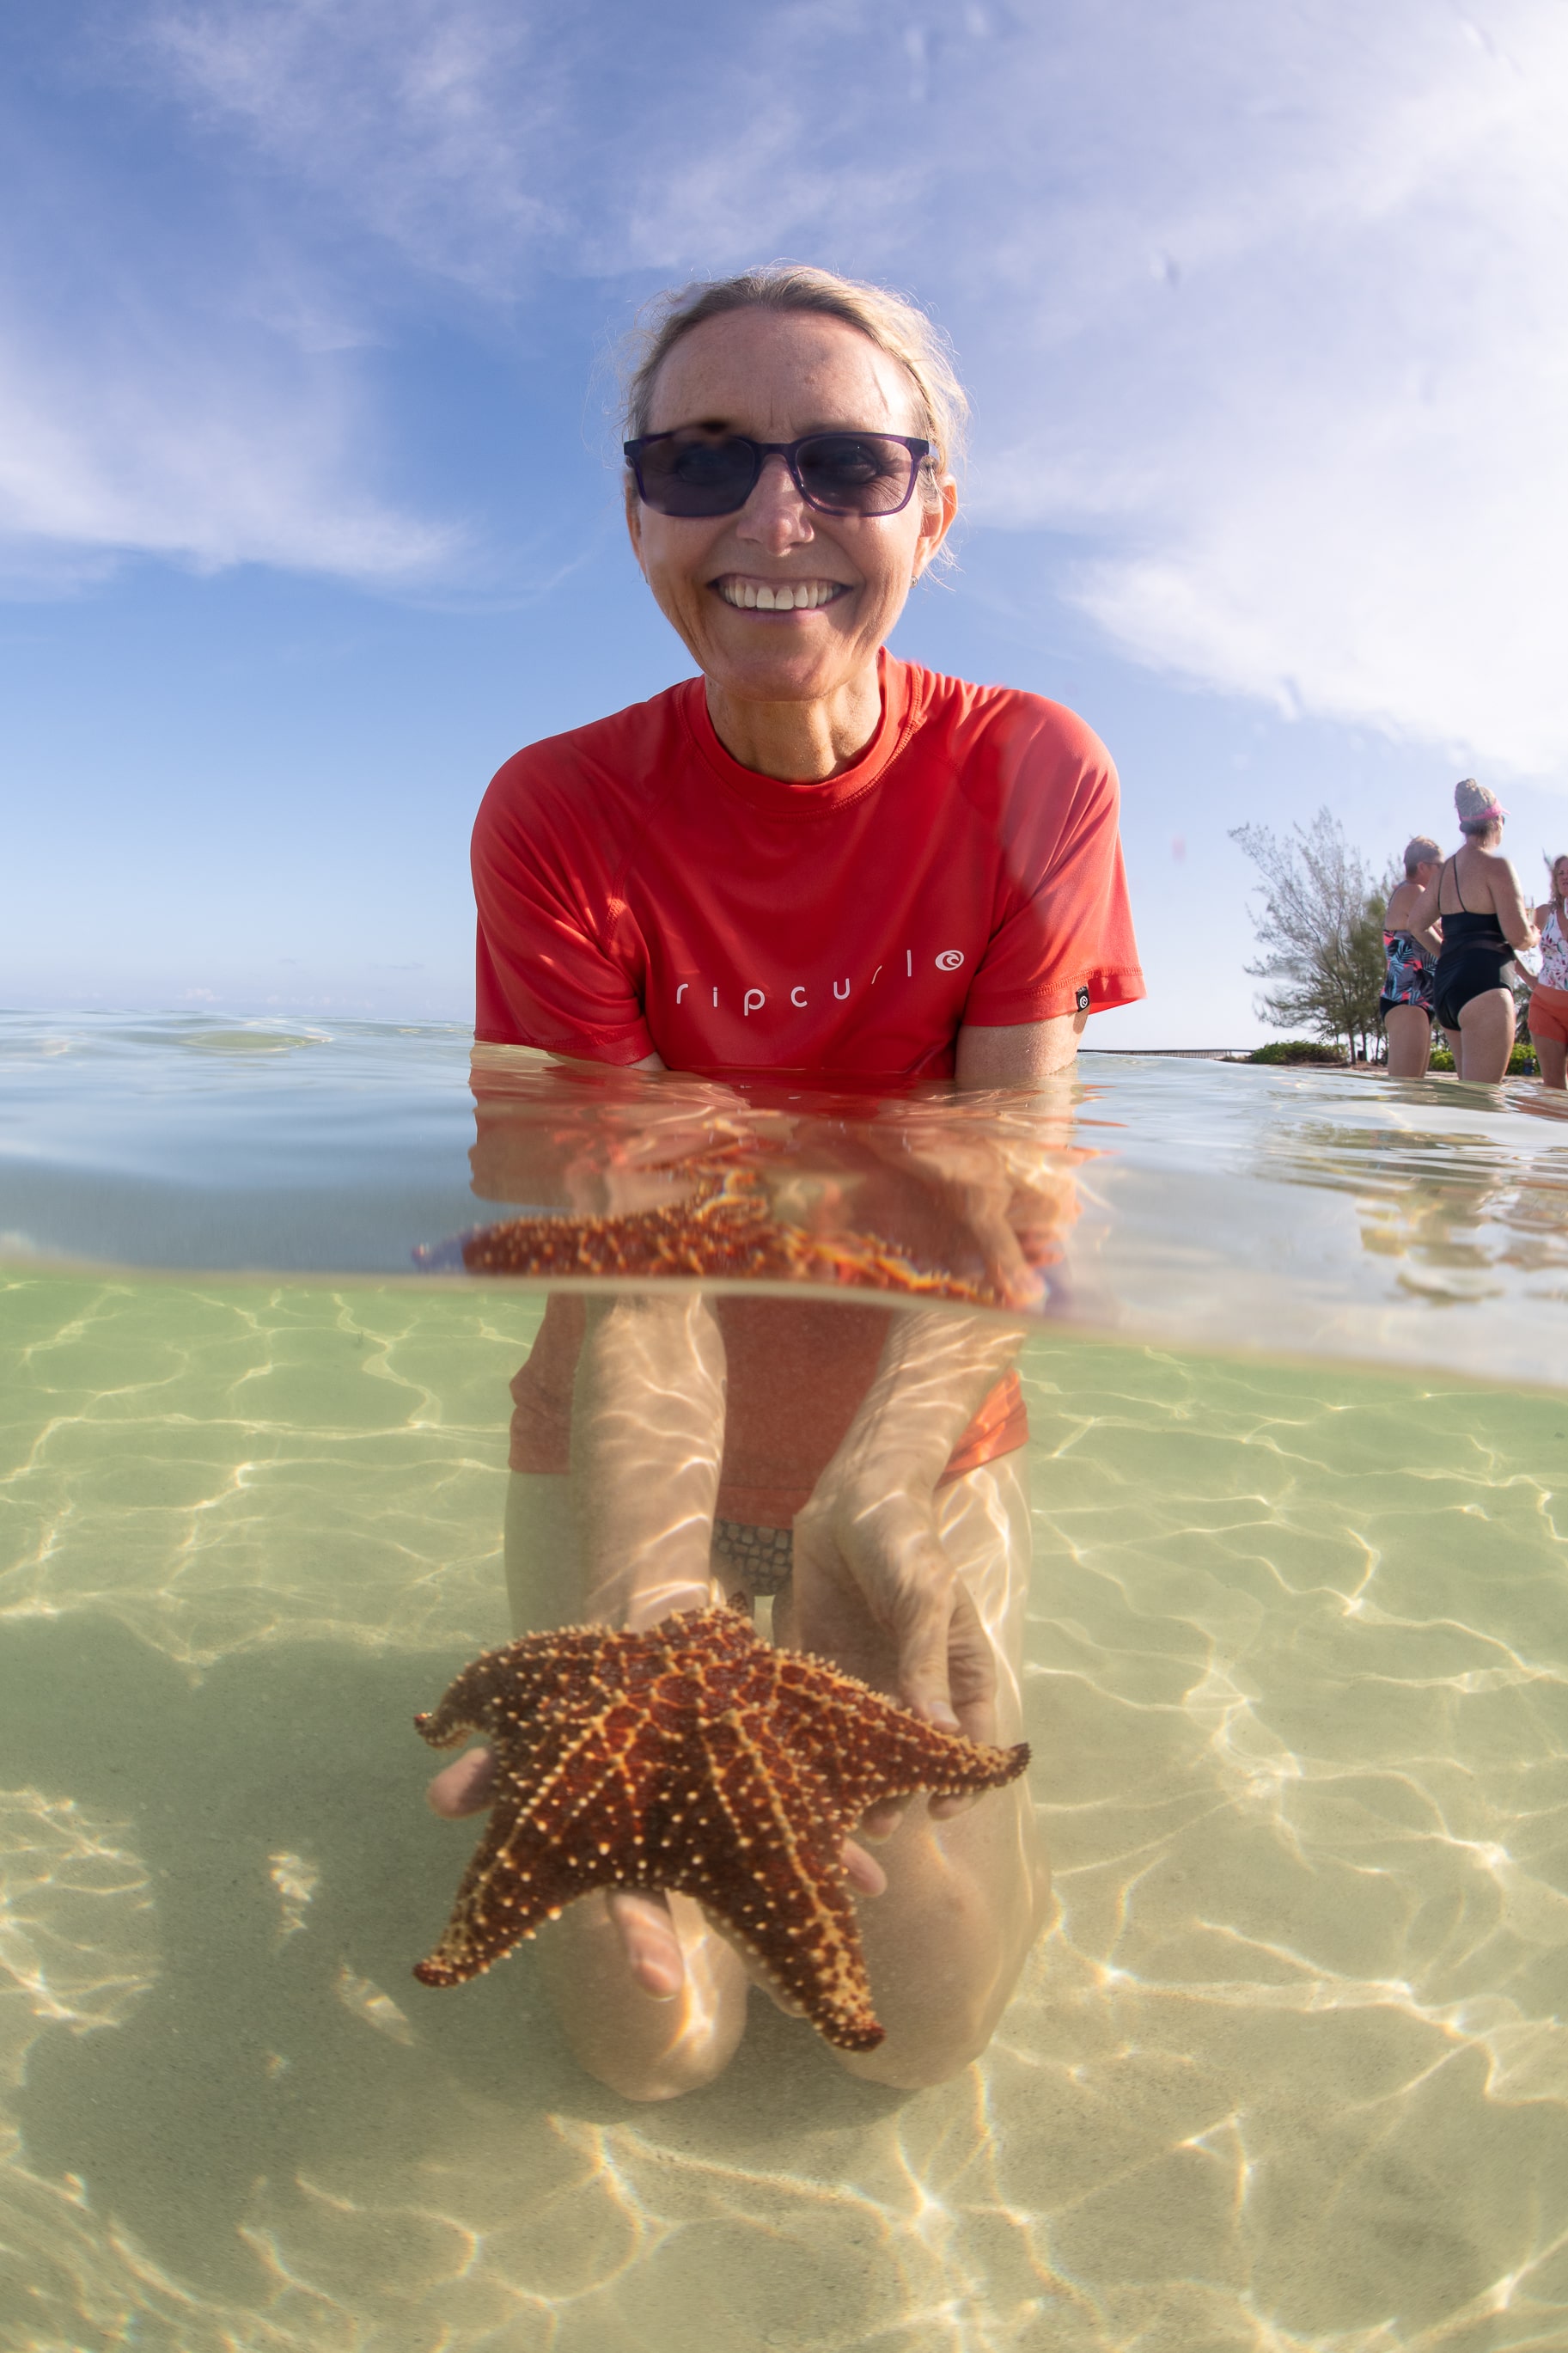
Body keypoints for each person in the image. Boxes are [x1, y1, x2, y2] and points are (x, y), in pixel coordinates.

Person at [429, 265, 1144, 2099]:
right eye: (703, 459)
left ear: (934, 512)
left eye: (844, 460)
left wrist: (877, 1496)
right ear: (635, 501)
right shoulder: (560, 814)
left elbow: (1009, 1188)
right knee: (646, 2036)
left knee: (916, 2022)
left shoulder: (1028, 771)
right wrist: (651, 1593)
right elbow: (629, 1242)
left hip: (907, 1451)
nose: (775, 517)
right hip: (621, 1432)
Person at [1409, 779, 1537, 1084]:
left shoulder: (1447, 870)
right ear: (1496, 822)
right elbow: (1518, 936)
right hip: (1485, 987)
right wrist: (1534, 935)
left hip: (1449, 988)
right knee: (1484, 1105)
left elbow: (1416, 923)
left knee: (1466, 1104)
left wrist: (1448, 955)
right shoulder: (1497, 865)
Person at [1379, 834, 1442, 1079]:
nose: (1444, 872)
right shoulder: (1414, 892)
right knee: (1406, 1094)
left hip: (1416, 1001)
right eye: (1441, 866)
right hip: (1407, 999)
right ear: (1423, 866)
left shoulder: (1417, 895)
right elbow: (1440, 945)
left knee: (1412, 1094)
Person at [1528, 855, 1568, 1091]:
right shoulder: (1544, 914)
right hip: (1546, 1007)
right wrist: (1528, 978)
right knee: (1553, 1089)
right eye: (1561, 873)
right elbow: (1512, 938)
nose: (1565, 877)